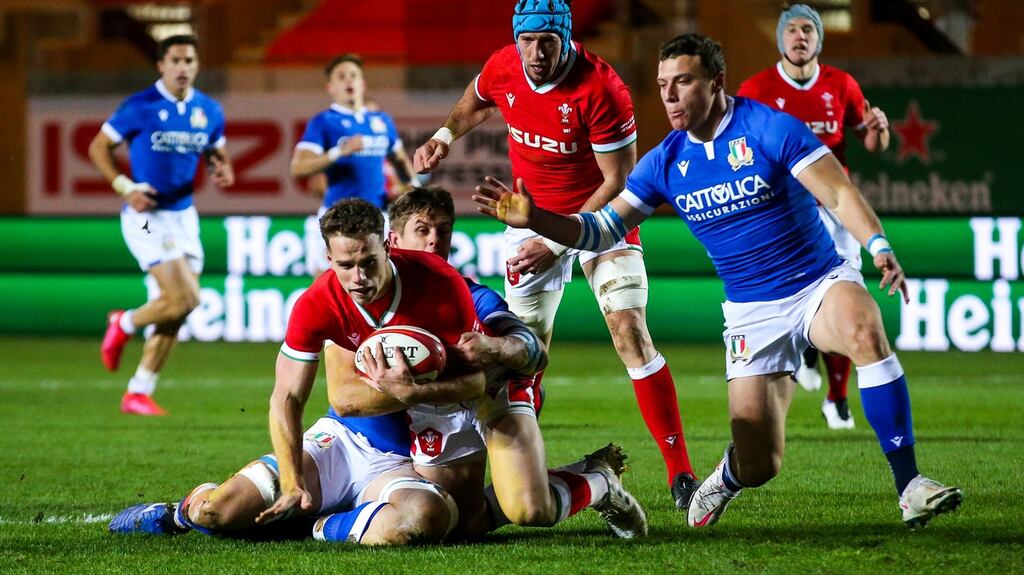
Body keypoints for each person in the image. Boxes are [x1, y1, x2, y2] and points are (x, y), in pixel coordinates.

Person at [473, 33, 963, 529]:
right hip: (752, 311)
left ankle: (910, 485)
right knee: (760, 463)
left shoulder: (771, 129)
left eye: (682, 82)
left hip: (816, 282)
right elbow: (601, 230)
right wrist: (538, 219)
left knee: (864, 328)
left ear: (716, 82)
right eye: (663, 84)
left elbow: (837, 194)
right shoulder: (664, 162)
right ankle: (727, 477)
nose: (668, 96)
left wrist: (878, 246)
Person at [413, 0, 699, 509]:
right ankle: (517, 470)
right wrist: (443, 136)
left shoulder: (603, 89)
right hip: (526, 219)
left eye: (548, 41)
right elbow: (475, 100)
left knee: (629, 331)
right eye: (527, 40)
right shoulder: (505, 65)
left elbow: (618, 183)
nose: (536, 52)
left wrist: (556, 241)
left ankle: (681, 473)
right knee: (522, 355)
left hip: (599, 223)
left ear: (567, 38)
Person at [370, 187, 646, 538]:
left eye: (443, 231)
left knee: (529, 510)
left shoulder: (471, 296)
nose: (434, 241)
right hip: (438, 403)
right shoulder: (372, 300)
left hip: (497, 390)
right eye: (422, 230)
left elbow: (532, 350)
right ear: (393, 240)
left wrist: (496, 347)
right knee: (460, 526)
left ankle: (596, 481)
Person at [738, 4, 891, 430]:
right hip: (783, 212)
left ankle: (837, 397)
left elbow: (872, 141)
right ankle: (804, 351)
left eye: (808, 29)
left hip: (834, 209)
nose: (799, 36)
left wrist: (879, 129)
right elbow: (739, 146)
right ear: (781, 39)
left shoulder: (841, 85)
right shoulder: (757, 88)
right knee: (795, 295)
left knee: (845, 293)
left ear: (819, 39)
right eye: (792, 30)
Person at [88, 34, 235, 416]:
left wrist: (221, 165)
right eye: (176, 60)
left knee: (177, 310)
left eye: (189, 60)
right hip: (147, 218)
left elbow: (215, 149)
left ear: (197, 66)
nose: (183, 67)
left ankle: (138, 391)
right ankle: (123, 322)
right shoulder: (140, 106)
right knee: (188, 298)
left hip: (185, 218)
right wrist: (125, 186)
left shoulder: (209, 110)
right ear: (161, 65)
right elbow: (97, 147)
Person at [291, 54, 417, 273]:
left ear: (362, 83)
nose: (349, 80)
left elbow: (400, 161)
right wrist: (339, 152)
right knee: (326, 289)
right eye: (342, 77)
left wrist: (415, 190)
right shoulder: (324, 122)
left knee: (383, 284)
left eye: (353, 75)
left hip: (378, 218)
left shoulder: (381, 121)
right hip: (336, 218)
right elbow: (298, 168)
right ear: (331, 87)